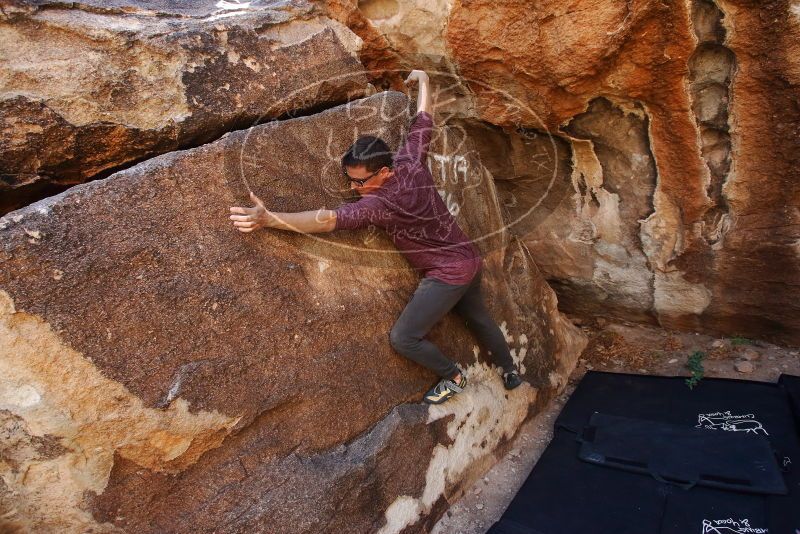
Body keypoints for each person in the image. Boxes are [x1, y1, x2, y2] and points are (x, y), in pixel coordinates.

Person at [229, 69, 523, 404]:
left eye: (359, 181)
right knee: (479, 317)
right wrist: (425, 81)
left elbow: (326, 220)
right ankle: (509, 370)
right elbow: (424, 119)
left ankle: (453, 376)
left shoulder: (380, 204)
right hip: (468, 258)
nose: (354, 188)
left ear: (384, 172)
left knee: (404, 338)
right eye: (349, 179)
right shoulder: (410, 161)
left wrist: (270, 219)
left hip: (447, 275)